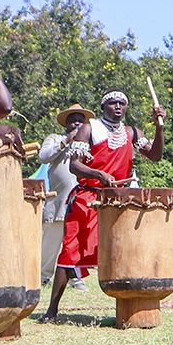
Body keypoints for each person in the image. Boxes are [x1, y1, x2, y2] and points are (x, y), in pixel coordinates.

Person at [40, 91, 166, 321]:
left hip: (119, 200)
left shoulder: (132, 132)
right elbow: (74, 166)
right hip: (88, 199)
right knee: (71, 250)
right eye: (112, 103)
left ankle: (129, 309)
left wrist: (160, 127)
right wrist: (98, 173)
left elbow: (155, 156)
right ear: (103, 106)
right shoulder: (89, 128)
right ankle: (52, 310)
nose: (118, 107)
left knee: (124, 252)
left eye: (122, 103)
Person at [36, 104, 96, 290]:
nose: (77, 123)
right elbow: (43, 156)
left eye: (80, 120)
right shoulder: (55, 139)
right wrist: (66, 142)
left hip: (80, 200)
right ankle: (42, 277)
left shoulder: (90, 143)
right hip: (57, 201)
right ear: (66, 124)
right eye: (72, 120)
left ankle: (75, 278)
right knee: (50, 243)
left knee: (76, 243)